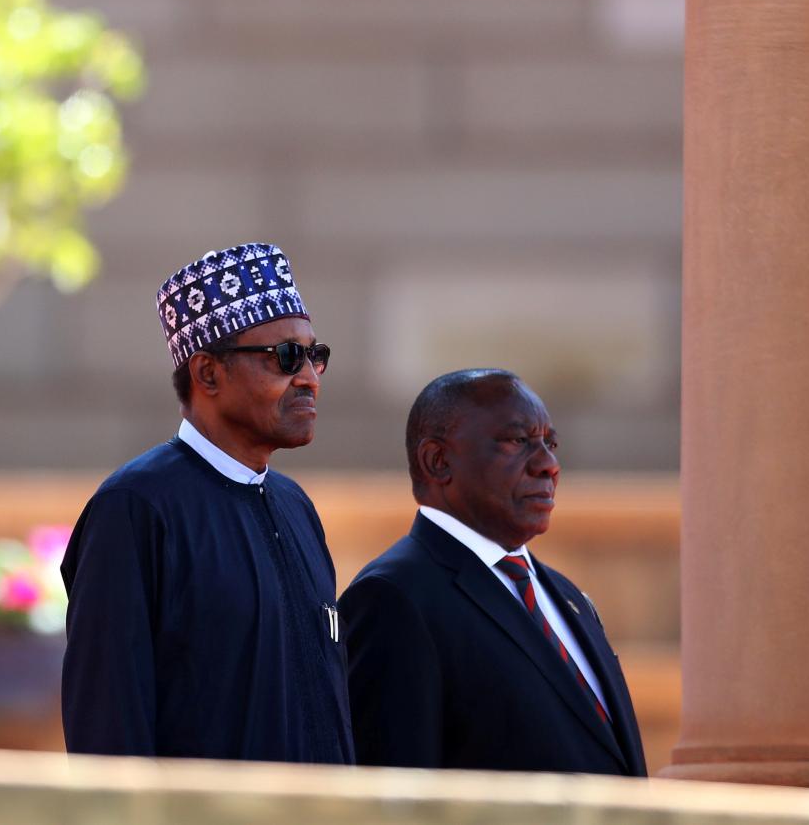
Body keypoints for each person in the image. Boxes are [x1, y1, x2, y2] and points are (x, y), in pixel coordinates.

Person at [60, 242, 352, 763]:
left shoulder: (295, 506)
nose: (308, 377)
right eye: (285, 357)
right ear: (208, 373)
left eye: (316, 356)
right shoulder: (136, 509)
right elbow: (108, 732)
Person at [341, 369, 646, 775]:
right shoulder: (393, 598)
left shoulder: (567, 596)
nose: (548, 465)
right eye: (518, 442)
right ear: (438, 460)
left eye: (550, 444)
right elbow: (391, 797)